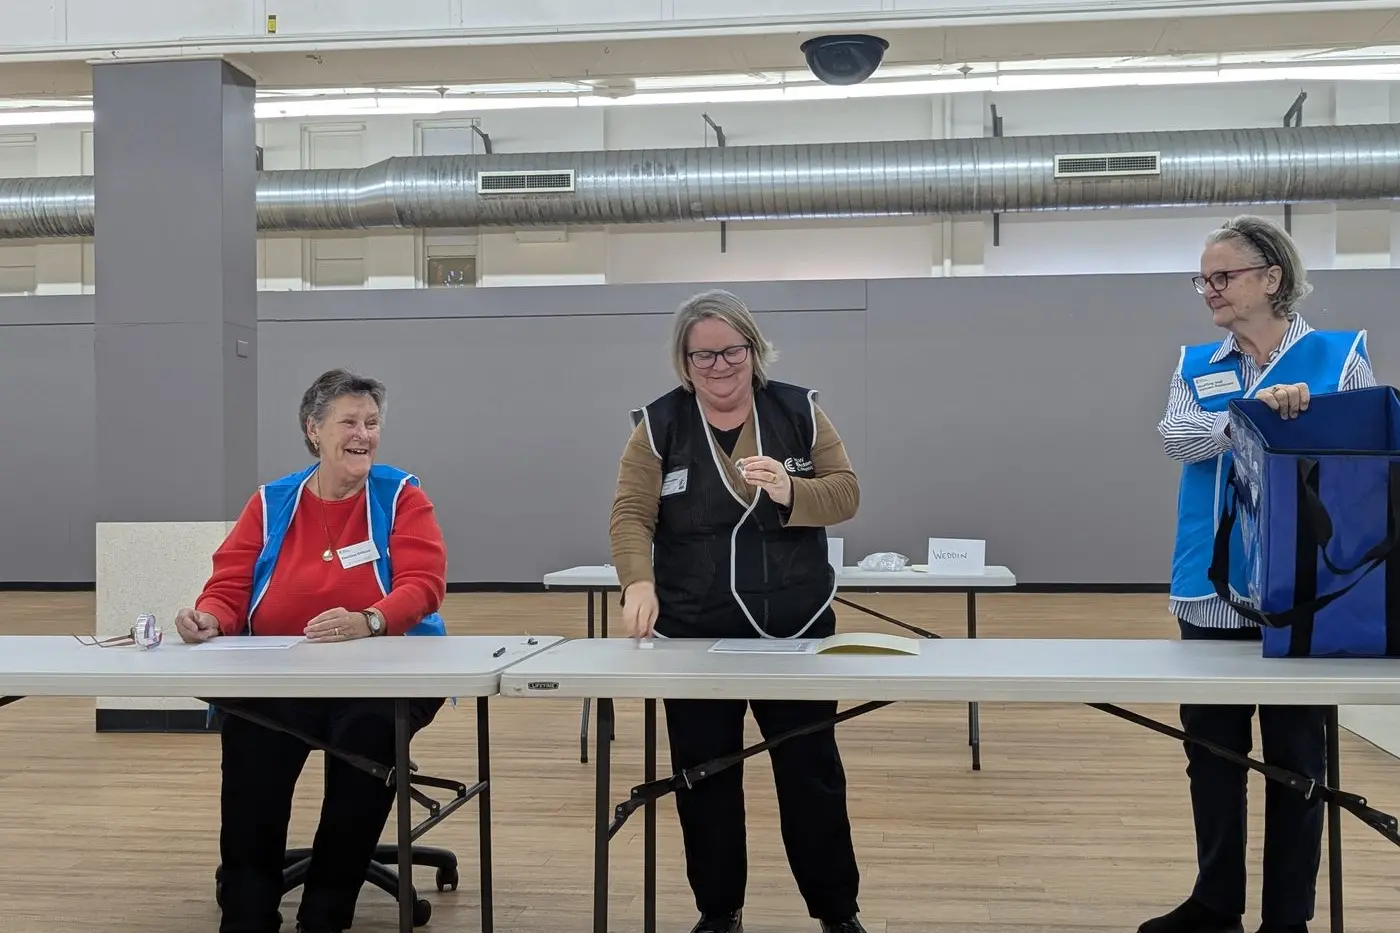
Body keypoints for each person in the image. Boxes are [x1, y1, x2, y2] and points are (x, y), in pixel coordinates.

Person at [1142, 215, 1375, 933]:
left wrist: (1301, 421)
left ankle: (1288, 918)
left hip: (1308, 592)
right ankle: (1216, 903)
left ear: (1271, 278)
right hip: (1209, 593)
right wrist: (1248, 417)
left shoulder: (1339, 359)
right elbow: (1179, 439)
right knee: (1211, 756)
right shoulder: (1195, 365)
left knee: (1297, 762)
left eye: (1223, 276)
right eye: (1203, 278)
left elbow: (1365, 450)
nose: (1209, 290)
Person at [609, 289, 866, 933]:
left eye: (731, 351)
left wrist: (790, 488)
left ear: (753, 349)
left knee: (810, 775)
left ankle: (837, 913)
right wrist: (637, 582)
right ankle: (719, 913)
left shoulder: (801, 411)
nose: (719, 366)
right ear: (684, 361)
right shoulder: (658, 425)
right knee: (704, 779)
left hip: (794, 628)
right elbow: (631, 514)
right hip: (694, 633)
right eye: (702, 356)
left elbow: (846, 494)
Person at [174, 368, 450, 933]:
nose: (363, 434)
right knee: (251, 740)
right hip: (283, 673)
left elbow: (424, 584)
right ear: (313, 430)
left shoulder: (401, 495)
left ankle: (325, 915)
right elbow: (229, 585)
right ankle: (247, 914)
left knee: (367, 743)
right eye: (348, 422)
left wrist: (369, 620)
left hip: (385, 674)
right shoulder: (273, 500)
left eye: (372, 423)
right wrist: (210, 617)